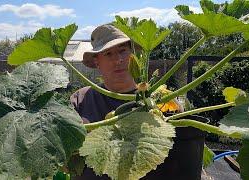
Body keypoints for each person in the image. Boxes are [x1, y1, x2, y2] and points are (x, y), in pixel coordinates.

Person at [71, 24, 202, 180]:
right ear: (97, 61)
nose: (118, 60)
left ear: (133, 55)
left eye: (122, 51)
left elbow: (182, 153)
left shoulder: (161, 99)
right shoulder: (80, 98)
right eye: (108, 54)